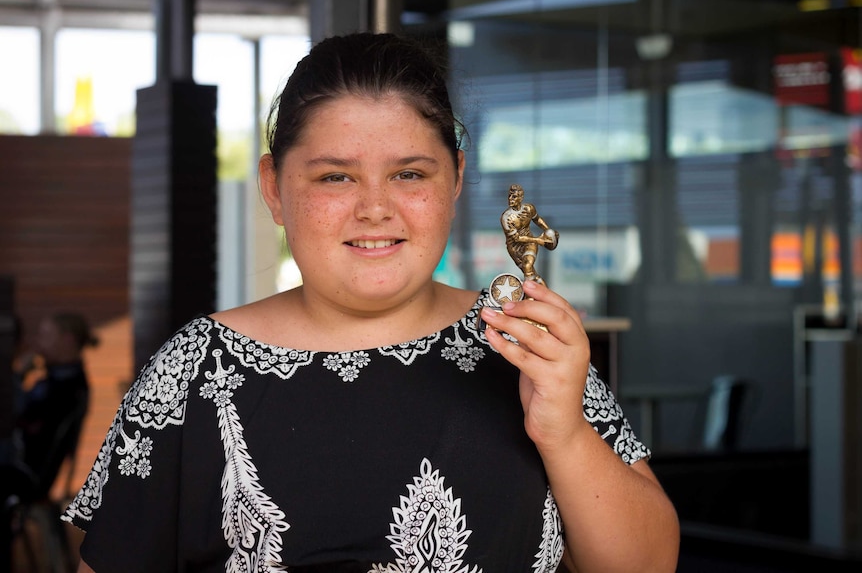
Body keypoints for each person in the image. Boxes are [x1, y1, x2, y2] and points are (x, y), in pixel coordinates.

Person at [64, 32, 679, 573]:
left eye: (410, 174)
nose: (375, 208)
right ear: (274, 189)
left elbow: (649, 565)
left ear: (457, 180)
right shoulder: (194, 372)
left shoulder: (522, 343)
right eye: (336, 177)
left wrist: (564, 432)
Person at [15, 311, 95, 499]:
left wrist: (17, 378)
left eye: (45, 336)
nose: (38, 343)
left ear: (67, 340)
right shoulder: (59, 380)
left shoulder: (67, 388)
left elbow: (19, 418)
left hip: (27, 475)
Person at [501, 183, 559, 285]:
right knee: (531, 274)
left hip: (529, 243)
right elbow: (517, 238)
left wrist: (548, 230)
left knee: (527, 266)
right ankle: (543, 291)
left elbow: (537, 219)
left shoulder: (529, 208)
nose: (510, 198)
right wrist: (539, 240)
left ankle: (530, 297)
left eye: (514, 196)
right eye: (509, 196)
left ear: (521, 197)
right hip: (514, 248)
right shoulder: (506, 218)